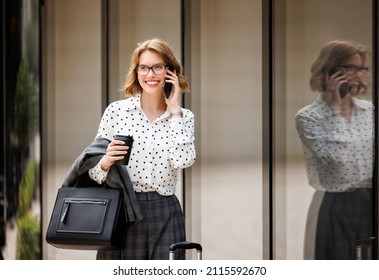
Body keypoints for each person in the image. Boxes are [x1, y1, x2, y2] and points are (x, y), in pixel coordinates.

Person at [85, 38, 195, 259]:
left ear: (170, 71)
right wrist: (106, 161)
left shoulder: (183, 117)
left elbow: (183, 161)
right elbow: (92, 174)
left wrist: (174, 111)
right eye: (144, 67)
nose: (150, 74)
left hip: (165, 211)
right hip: (122, 210)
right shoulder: (116, 112)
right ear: (136, 72)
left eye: (157, 67)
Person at [295, 40, 373, 260]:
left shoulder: (371, 111)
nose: (357, 75)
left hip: (372, 201)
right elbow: (337, 160)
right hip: (337, 205)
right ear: (329, 71)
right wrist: (336, 110)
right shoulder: (309, 116)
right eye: (349, 68)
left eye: (360, 68)